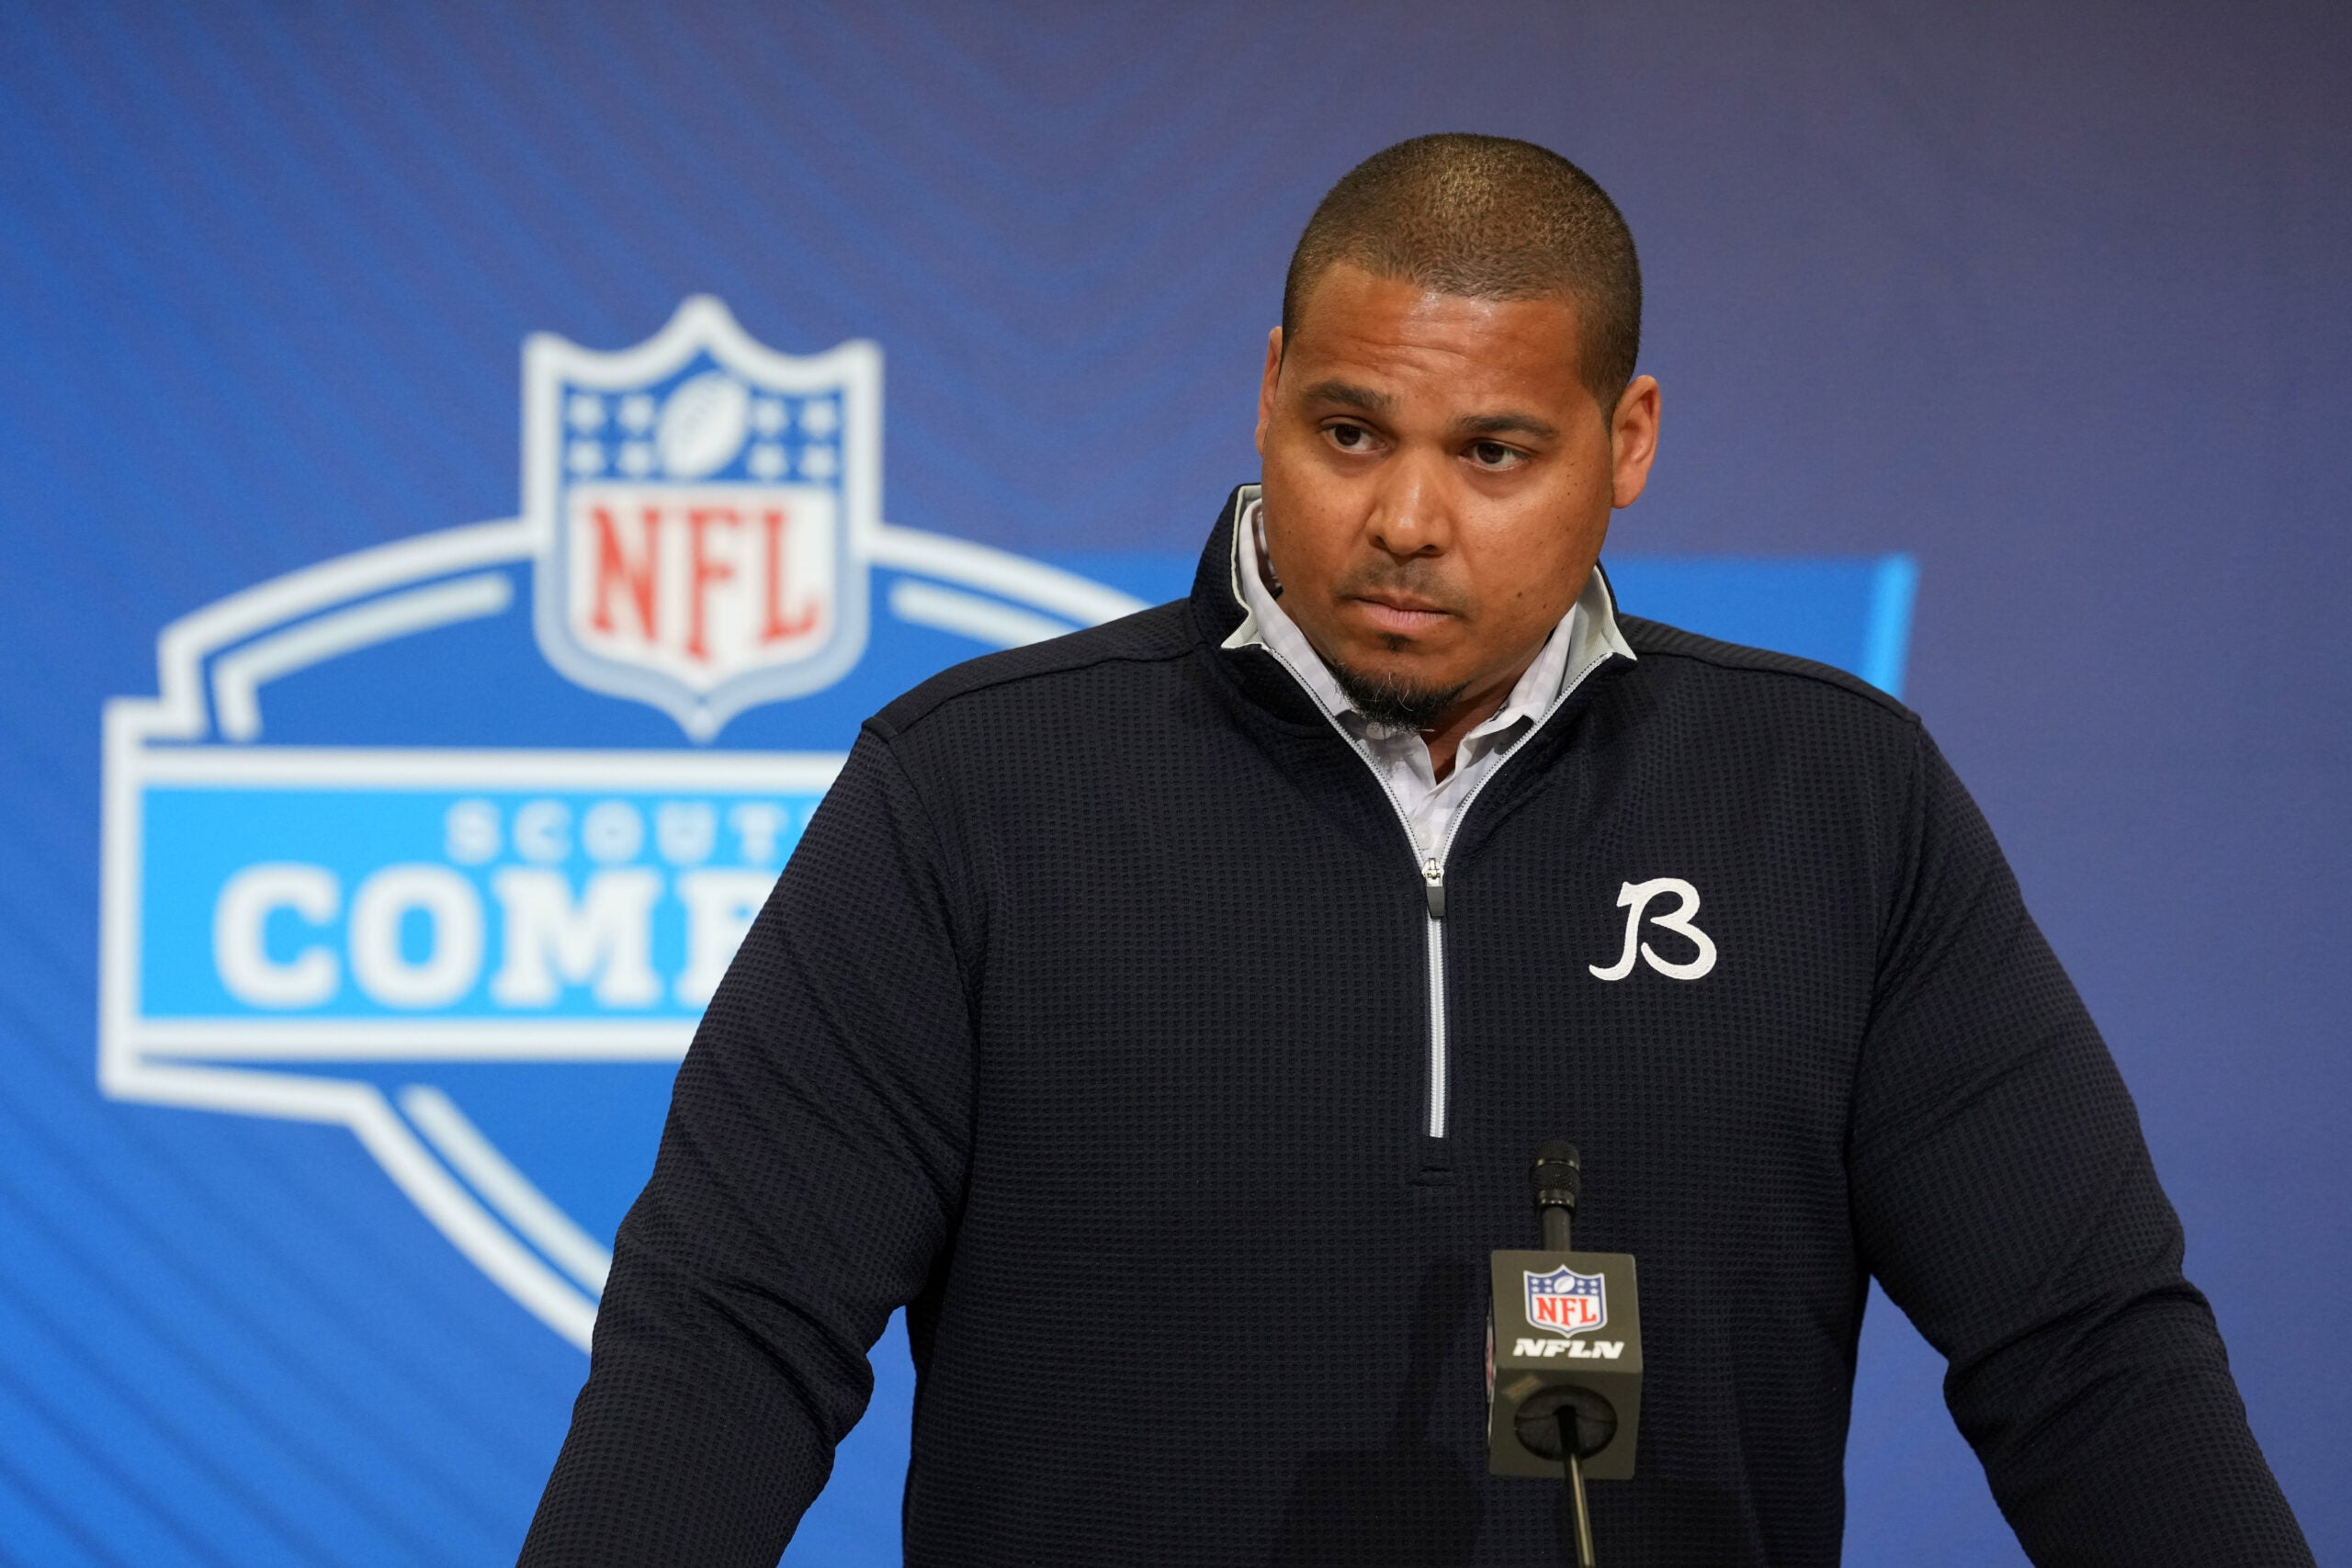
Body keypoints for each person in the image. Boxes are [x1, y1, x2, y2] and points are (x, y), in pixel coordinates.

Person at [518, 135, 2311, 1566]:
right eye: (1349, 429)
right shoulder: (974, 788)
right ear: (1266, 390)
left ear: (1626, 444)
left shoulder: (1828, 798)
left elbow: (2083, 1350)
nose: (1402, 516)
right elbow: (728, 1341)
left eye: (1494, 450)